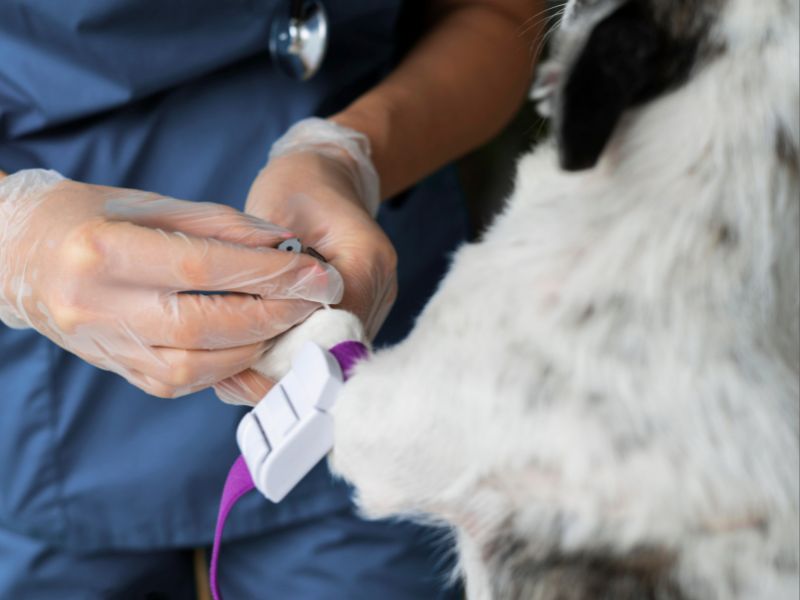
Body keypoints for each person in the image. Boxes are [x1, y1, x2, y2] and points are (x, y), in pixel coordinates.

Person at [0, 0, 541, 597]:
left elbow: (498, 13)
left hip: (372, 359)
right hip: (46, 387)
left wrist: (353, 152)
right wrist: (15, 237)